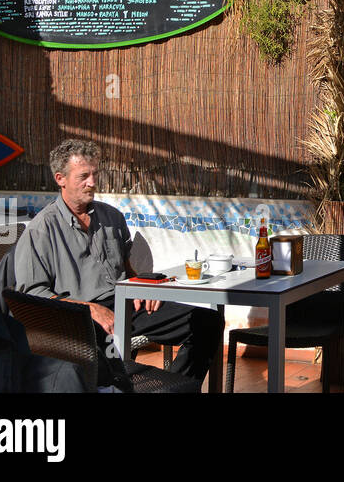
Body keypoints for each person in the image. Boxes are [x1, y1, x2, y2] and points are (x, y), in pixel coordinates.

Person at [13, 139, 223, 387]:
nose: (92, 182)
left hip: (124, 306)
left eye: (94, 174)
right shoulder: (41, 230)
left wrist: (143, 284)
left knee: (208, 321)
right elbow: (31, 296)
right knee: (107, 366)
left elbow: (126, 267)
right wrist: (89, 309)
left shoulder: (112, 216)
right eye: (83, 176)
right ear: (60, 178)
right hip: (78, 319)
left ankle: (176, 388)